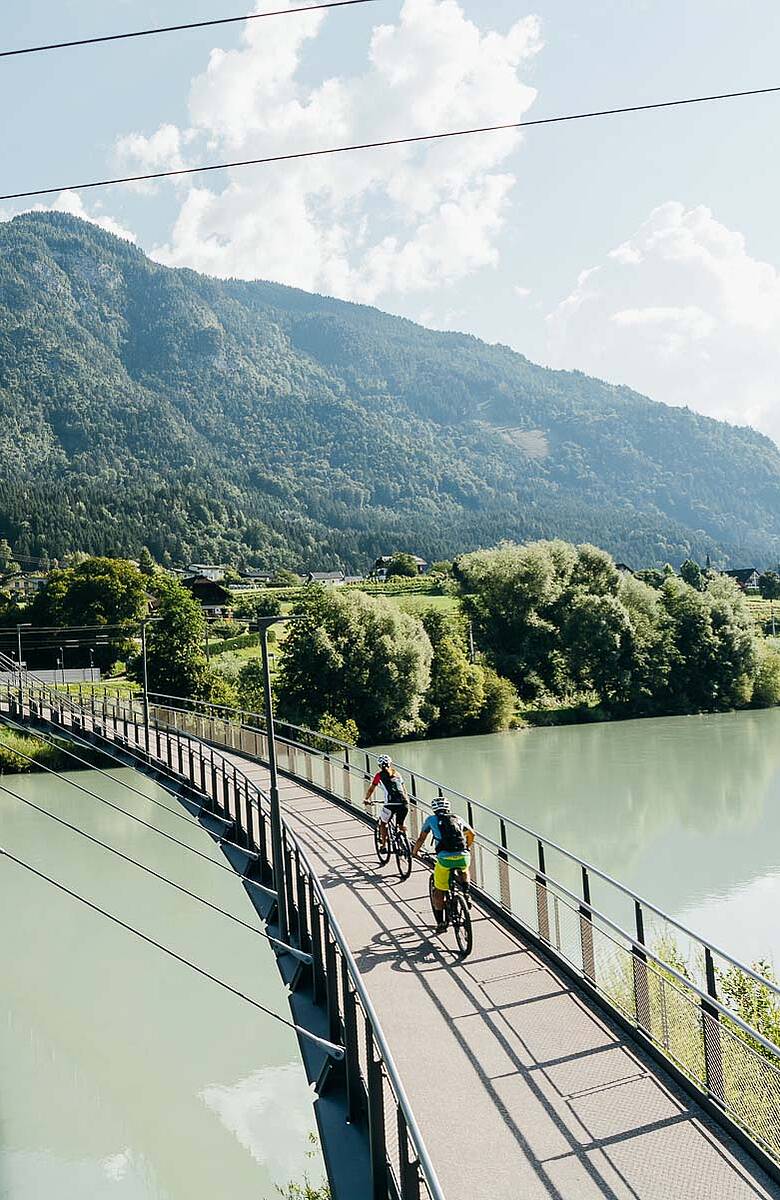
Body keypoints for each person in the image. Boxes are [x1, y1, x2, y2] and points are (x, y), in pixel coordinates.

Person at [412, 797, 474, 931]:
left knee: (438, 891)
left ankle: (441, 923)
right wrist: (466, 847)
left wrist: (415, 852)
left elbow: (421, 838)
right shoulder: (457, 818)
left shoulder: (431, 820)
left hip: (444, 859)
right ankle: (466, 893)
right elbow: (472, 834)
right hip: (463, 856)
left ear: (434, 809)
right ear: (448, 808)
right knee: (464, 869)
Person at [364, 754, 409, 847]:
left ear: (379, 765)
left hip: (390, 804)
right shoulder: (397, 773)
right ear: (390, 763)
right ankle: (406, 841)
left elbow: (371, 789)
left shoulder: (379, 775)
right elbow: (404, 790)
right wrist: (406, 801)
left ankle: (384, 845)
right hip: (404, 803)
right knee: (401, 824)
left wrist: (366, 799)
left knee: (383, 824)